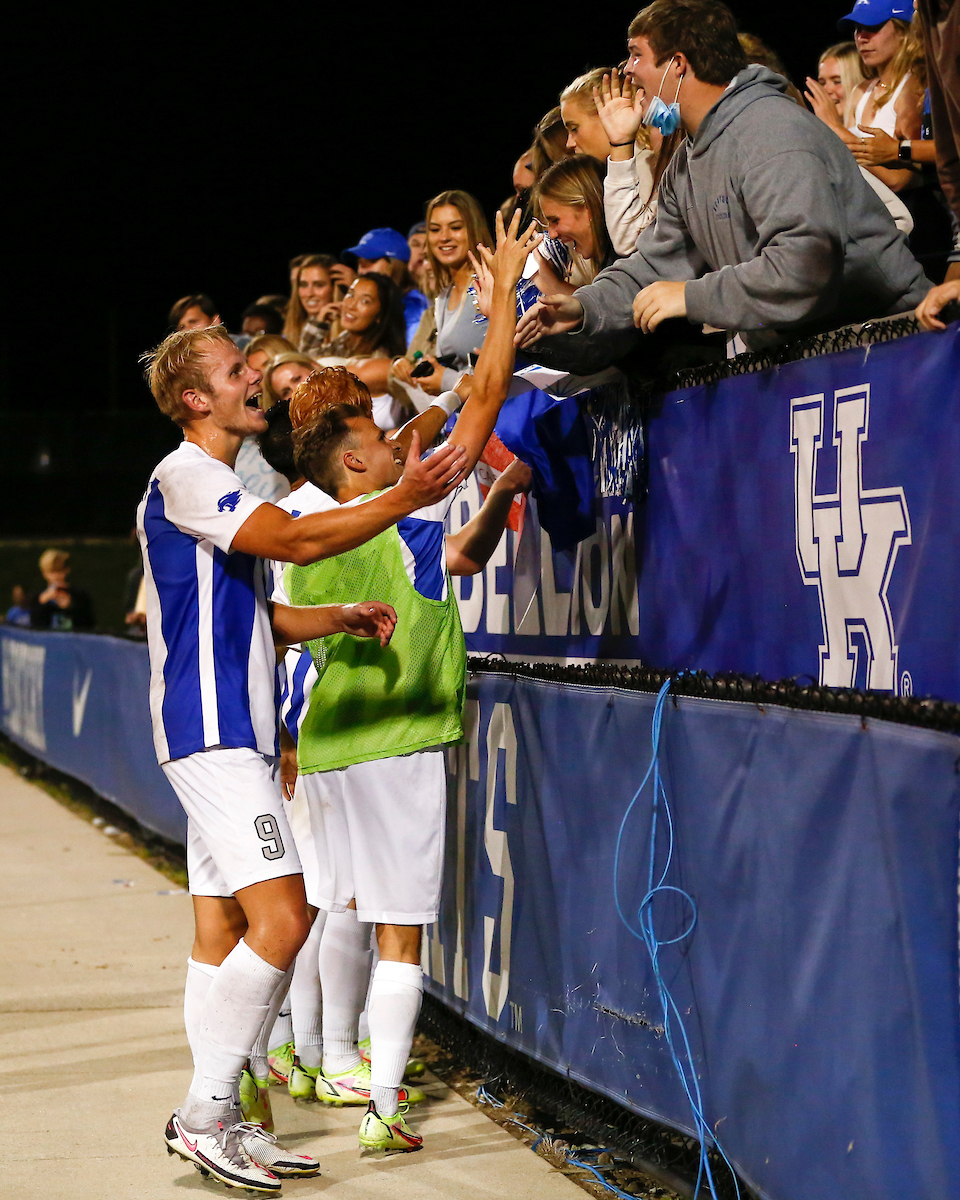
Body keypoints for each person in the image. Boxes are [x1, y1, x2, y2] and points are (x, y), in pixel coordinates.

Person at [137, 321, 466, 1192]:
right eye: (238, 371)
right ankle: (207, 1111)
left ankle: (229, 1116)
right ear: (196, 399)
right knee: (287, 916)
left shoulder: (210, 483)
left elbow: (257, 615)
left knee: (223, 929)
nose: (258, 380)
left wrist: (335, 618)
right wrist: (404, 495)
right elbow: (293, 542)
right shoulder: (188, 474)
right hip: (213, 734)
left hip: (224, 729)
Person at [278, 211, 540, 1155]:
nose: (395, 445)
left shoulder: (307, 538)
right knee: (402, 934)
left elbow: (442, 415)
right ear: (355, 460)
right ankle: (385, 1107)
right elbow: (479, 409)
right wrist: (504, 295)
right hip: (395, 747)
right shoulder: (406, 524)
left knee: (338, 907)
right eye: (379, 438)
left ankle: (315, 1053)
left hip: (333, 747)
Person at [516, 0, 929, 364]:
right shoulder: (688, 159)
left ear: (677, 64)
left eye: (636, 55)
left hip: (897, 345)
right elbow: (655, 262)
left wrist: (690, 297)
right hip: (821, 355)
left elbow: (805, 264)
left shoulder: (770, 129)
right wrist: (583, 307)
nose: (627, 70)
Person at [392, 191, 493, 398]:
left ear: (474, 229)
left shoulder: (491, 283)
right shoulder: (444, 296)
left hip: (501, 419)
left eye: (456, 227)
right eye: (435, 229)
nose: (444, 237)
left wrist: (447, 380)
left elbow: (507, 368)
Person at [313, 274, 409, 430]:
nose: (351, 305)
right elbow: (306, 363)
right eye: (350, 295)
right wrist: (319, 326)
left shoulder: (379, 358)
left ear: (380, 314)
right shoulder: (342, 340)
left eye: (365, 301)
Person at [345, 228, 430, 347]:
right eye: (360, 262)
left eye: (371, 261)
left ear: (394, 265)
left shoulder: (416, 306)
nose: (362, 270)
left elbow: (414, 356)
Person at [283, 254, 341, 355]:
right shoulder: (291, 331)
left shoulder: (348, 334)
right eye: (303, 285)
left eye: (319, 285)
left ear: (334, 288)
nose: (309, 293)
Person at [29, 550, 95, 631]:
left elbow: (90, 626)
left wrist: (70, 606)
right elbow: (34, 630)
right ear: (44, 573)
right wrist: (42, 605)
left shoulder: (80, 595)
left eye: (60, 571)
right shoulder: (38, 598)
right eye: (52, 572)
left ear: (67, 570)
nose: (56, 576)